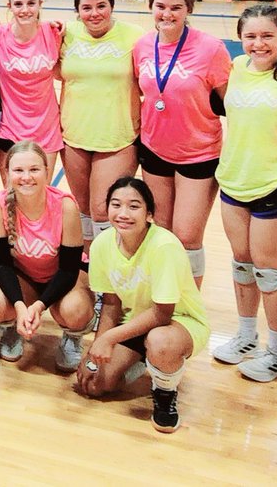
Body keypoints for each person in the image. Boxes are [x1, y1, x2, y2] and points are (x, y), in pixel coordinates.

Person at [212, 5, 277, 383]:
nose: (258, 43)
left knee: (268, 270)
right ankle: (247, 336)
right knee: (241, 263)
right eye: (250, 36)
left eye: (267, 35)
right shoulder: (235, 69)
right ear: (240, 38)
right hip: (235, 178)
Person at [77, 177, 210, 434]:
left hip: (178, 323)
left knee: (160, 342)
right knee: (94, 385)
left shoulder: (165, 246)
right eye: (116, 205)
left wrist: (111, 338)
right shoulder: (103, 245)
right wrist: (96, 352)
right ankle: (145, 362)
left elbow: (162, 314)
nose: (123, 213)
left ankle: (164, 392)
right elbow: (111, 304)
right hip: (135, 322)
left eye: (134, 206)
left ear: (149, 213)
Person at [131, 0, 231, 285]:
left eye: (176, 7)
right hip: (154, 148)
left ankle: (188, 307)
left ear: (188, 9)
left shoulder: (211, 49)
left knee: (187, 236)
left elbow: (232, 104)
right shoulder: (143, 46)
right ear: (151, 7)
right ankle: (161, 297)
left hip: (198, 153)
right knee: (160, 230)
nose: (167, 14)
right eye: (160, 6)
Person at [0, 141, 93, 372]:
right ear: (7, 173)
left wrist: (39, 306)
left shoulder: (65, 205)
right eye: (18, 170)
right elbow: (1, 265)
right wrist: (21, 306)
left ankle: (72, 337)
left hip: (63, 276)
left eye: (34, 169)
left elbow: (69, 269)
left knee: (76, 310)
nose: (26, 177)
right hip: (25, 276)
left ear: (46, 171)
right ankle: (14, 326)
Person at [58, 0, 144, 248]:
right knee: (83, 208)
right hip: (73, 135)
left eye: (101, 6)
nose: (94, 13)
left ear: (112, 6)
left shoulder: (135, 36)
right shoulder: (65, 34)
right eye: (86, 8)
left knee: (101, 208)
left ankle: (111, 272)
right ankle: (90, 272)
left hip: (117, 138)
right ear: (77, 12)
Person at [0, 0, 63, 182]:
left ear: (40, 3)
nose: (25, 10)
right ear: (9, 6)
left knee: (42, 194)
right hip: (9, 128)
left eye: (31, 3)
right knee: (12, 195)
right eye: (18, 4)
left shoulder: (54, 33)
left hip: (46, 128)